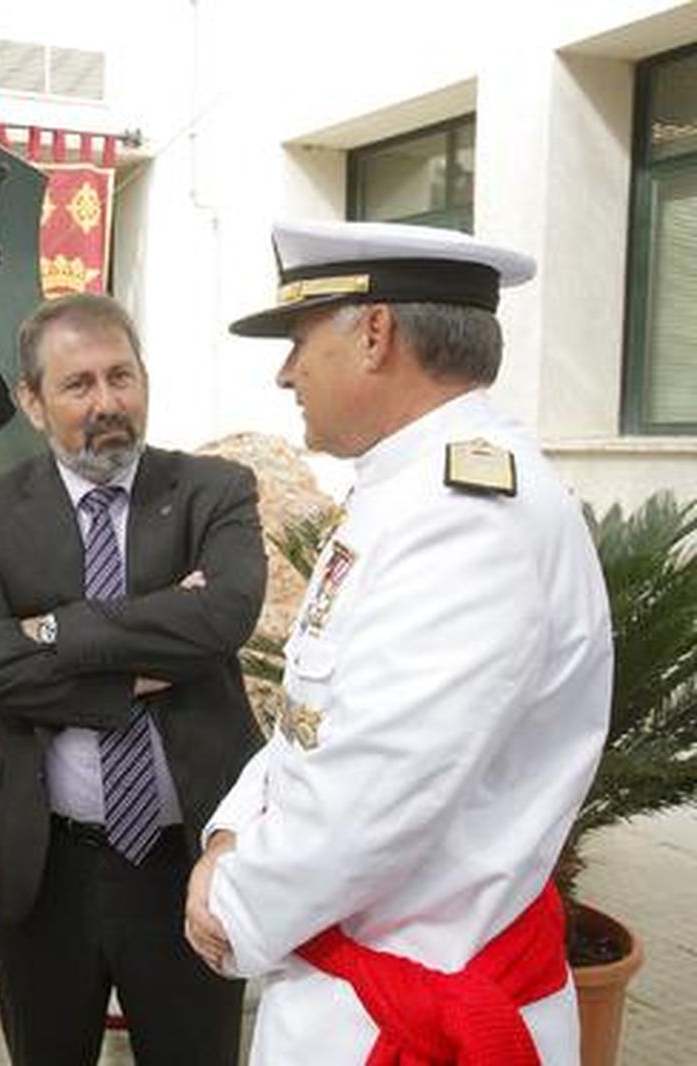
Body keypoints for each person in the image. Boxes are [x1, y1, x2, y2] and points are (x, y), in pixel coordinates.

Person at [186, 220, 613, 1064]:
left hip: (402, 1022)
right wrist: (231, 833)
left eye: (300, 339)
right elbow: (312, 722)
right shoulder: (412, 486)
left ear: (374, 333)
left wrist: (232, 905)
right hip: (361, 994)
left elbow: (377, 788)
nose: (285, 372)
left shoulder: (466, 517)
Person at [0, 292, 267, 1066]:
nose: (107, 402)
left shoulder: (213, 491)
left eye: (121, 377)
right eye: (78, 384)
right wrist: (136, 673)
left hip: (184, 861)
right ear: (32, 401)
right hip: (43, 867)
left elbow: (222, 620)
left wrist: (55, 628)